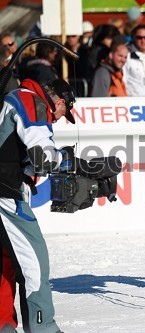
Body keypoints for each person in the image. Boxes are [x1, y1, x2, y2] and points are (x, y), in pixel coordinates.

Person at [0, 78, 77, 333]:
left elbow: (17, 155)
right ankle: (43, 328)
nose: (57, 120)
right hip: (5, 194)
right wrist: (64, 158)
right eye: (63, 114)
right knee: (34, 262)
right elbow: (42, 156)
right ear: (60, 102)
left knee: (6, 262)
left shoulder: (15, 99)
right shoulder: (31, 102)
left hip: (6, 187)